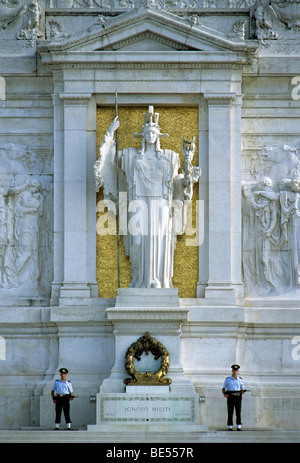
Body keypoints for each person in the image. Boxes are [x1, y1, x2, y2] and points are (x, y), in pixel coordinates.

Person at [222, 364, 246, 431]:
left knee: (238, 411)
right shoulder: (228, 379)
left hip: (238, 396)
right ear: (232, 371)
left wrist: (242, 391)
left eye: (236, 370)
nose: (235, 372)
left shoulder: (240, 380)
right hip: (230, 396)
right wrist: (224, 394)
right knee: (230, 411)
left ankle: (239, 425)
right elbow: (223, 388)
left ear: (237, 371)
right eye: (234, 370)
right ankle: (230, 426)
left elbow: (242, 388)